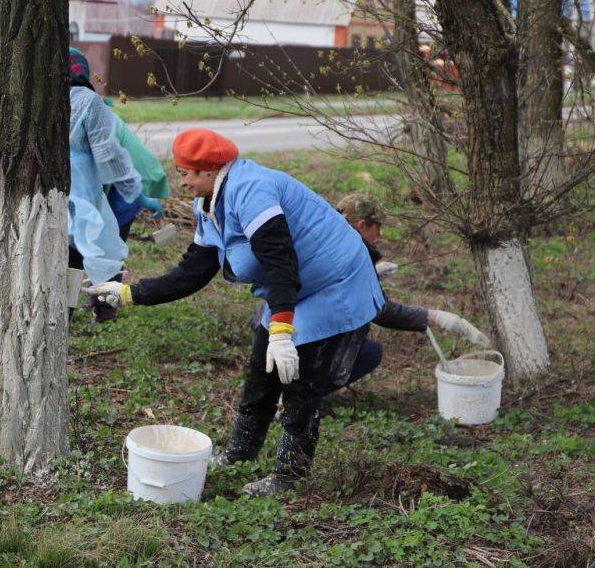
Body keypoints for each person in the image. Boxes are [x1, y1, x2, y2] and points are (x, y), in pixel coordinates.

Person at [85, 129, 387, 497]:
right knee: (263, 364)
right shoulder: (209, 204)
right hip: (297, 287)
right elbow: (192, 273)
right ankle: (241, 453)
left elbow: (280, 263)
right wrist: (130, 294)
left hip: (336, 284)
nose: (181, 181)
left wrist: (282, 331)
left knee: (300, 378)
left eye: (187, 173)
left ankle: (288, 478)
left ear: (211, 169)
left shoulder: (252, 190)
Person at [331, 194, 489, 390]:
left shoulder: (331, 246)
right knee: (370, 353)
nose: (380, 234)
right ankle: (301, 396)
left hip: (296, 340)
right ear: (363, 225)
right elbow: (381, 310)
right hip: (310, 345)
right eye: (378, 227)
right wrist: (437, 317)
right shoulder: (350, 258)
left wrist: (372, 274)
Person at [68, 47, 169, 321]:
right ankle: (97, 307)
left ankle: (77, 310)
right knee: (92, 251)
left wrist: (138, 196)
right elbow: (110, 158)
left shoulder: (43, 100)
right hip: (88, 191)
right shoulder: (90, 103)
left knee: (70, 255)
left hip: (66, 193)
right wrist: (142, 197)